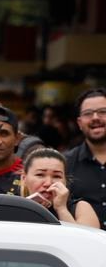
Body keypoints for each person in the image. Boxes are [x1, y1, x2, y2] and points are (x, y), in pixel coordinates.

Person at [22, 148, 101, 229]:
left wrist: (61, 209)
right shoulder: (15, 207)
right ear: (24, 178)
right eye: (40, 175)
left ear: (65, 181)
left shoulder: (81, 208)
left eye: (56, 176)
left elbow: (83, 237)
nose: (48, 183)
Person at [65, 88, 106, 227]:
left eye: (102, 112)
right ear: (79, 123)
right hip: (84, 240)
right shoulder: (65, 164)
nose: (95, 118)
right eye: (88, 113)